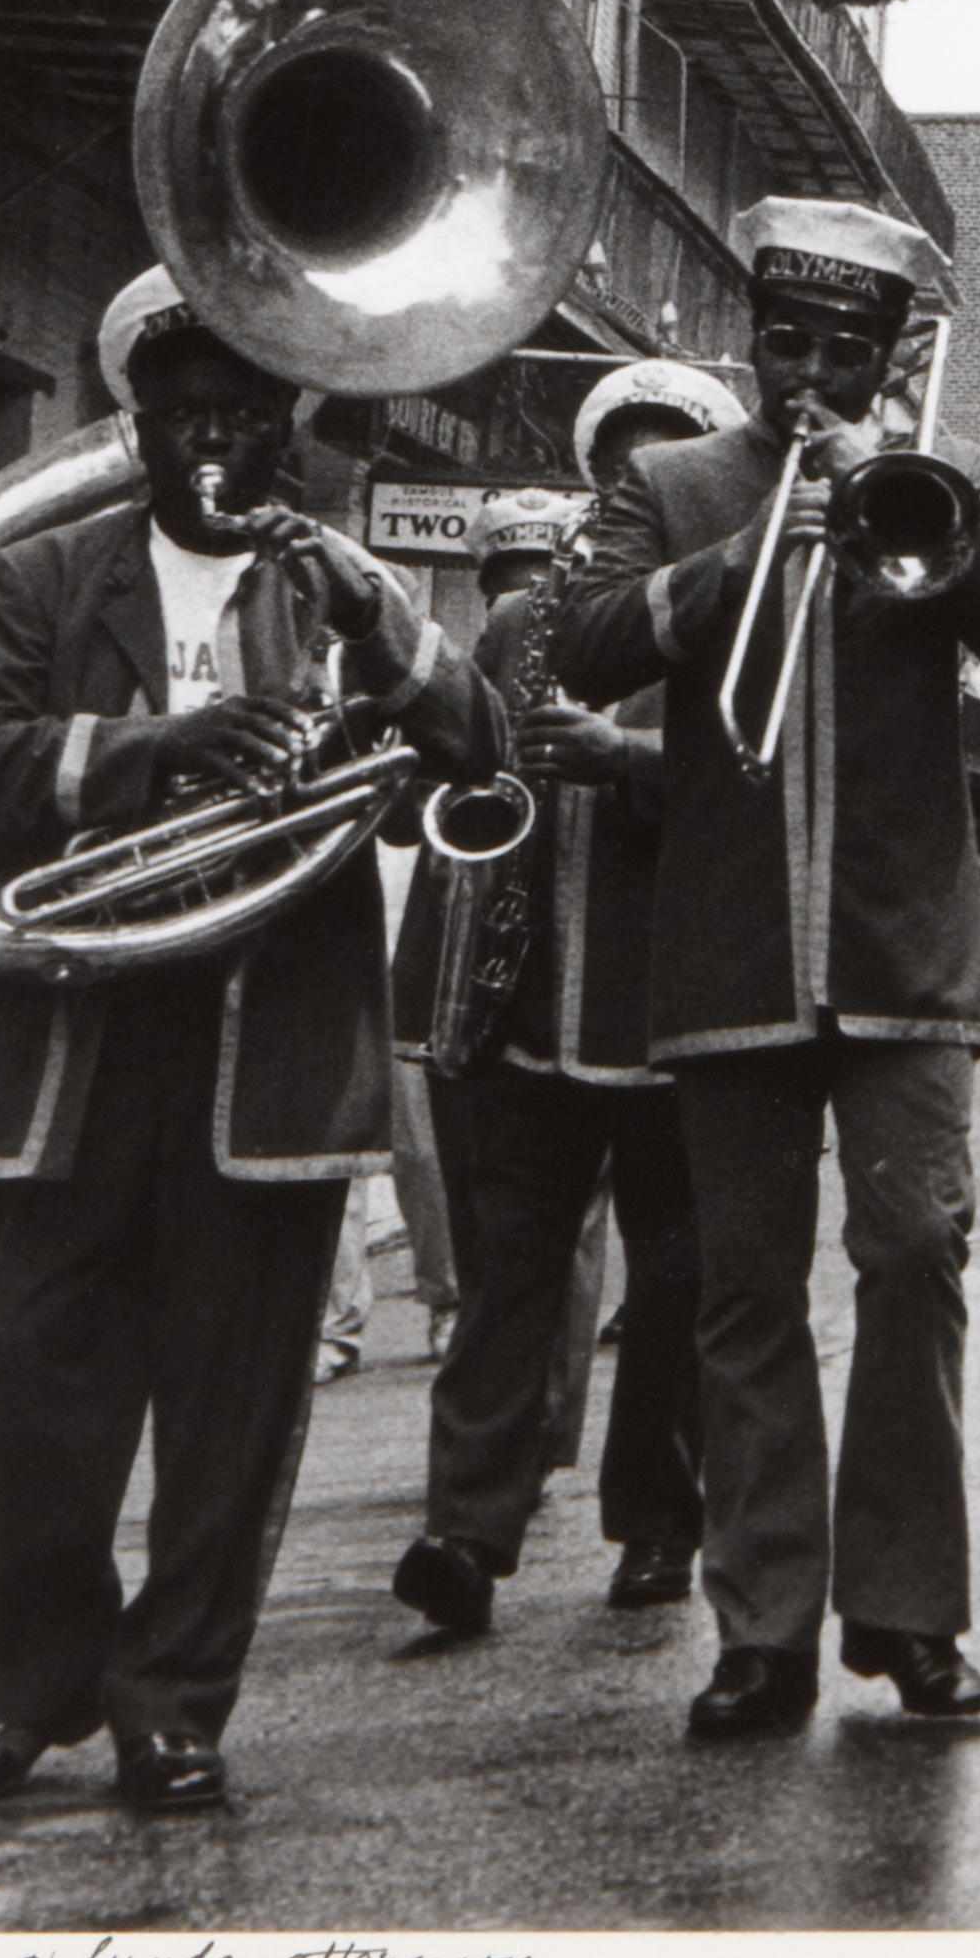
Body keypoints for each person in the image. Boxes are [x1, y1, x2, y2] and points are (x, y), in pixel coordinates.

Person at [0, 268, 508, 1815]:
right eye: (188, 414)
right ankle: (29, 1687)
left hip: (270, 1041)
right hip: (73, 1032)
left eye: (250, 410)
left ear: (291, 418)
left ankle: (171, 1703)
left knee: (233, 1395)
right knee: (25, 1354)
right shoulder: (45, 575)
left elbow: (479, 755)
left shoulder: (343, 585)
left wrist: (388, 628)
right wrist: (156, 753)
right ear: (140, 422)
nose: (220, 442)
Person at [555, 200, 980, 1741]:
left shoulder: (944, 480)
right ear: (753, 338)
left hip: (905, 948)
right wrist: (743, 560)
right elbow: (582, 648)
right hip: (729, 952)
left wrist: (900, 503)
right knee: (738, 1292)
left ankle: (905, 1613)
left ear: (890, 356)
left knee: (913, 1258)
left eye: (846, 352)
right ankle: (761, 1624)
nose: (810, 377)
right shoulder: (668, 480)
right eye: (788, 345)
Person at [387, 376, 737, 1645]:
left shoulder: (734, 622)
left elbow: (768, 787)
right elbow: (454, 776)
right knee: (506, 1277)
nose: (639, 500)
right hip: (526, 997)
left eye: (670, 479)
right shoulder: (528, 617)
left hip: (675, 1003)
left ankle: (657, 1519)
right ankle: (466, 1533)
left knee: (679, 1280)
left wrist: (631, 760)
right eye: (620, 480)